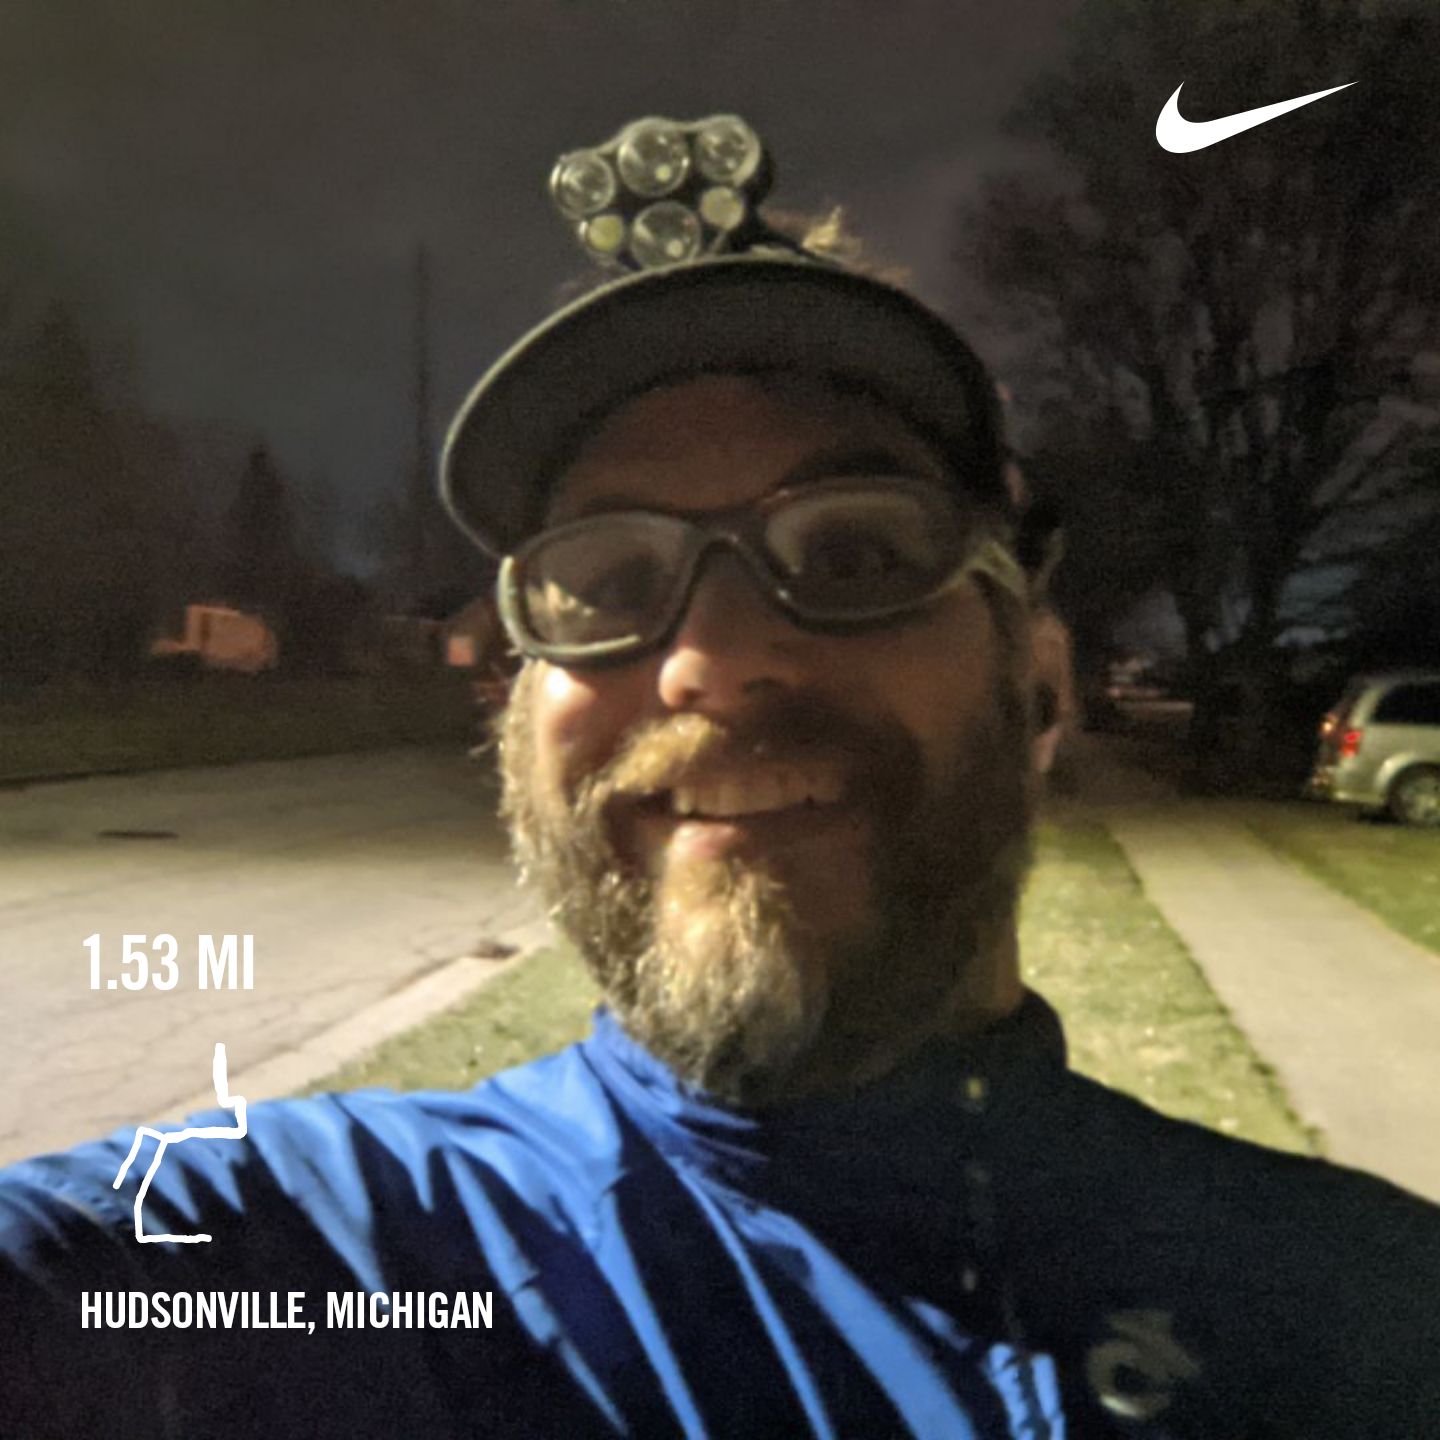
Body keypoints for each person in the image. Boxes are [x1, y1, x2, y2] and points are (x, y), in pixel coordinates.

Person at [3, 115, 1439, 1440]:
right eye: (608, 581)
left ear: (1042, 688)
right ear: (519, 715)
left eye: (855, 552)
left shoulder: (1365, 1315)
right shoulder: (345, 1256)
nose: (711, 660)